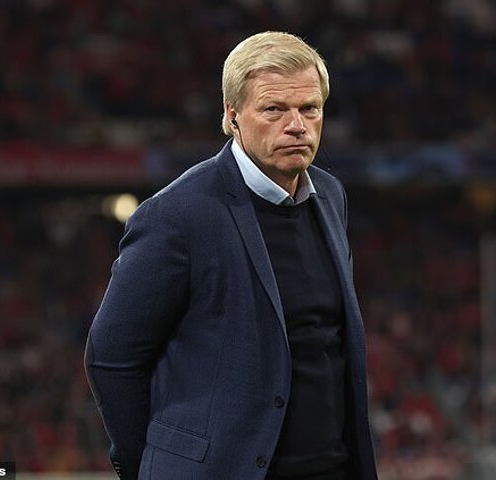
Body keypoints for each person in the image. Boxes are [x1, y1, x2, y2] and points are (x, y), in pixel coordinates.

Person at [85, 31, 378, 480]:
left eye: (310, 108)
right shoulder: (177, 214)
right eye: (274, 109)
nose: (297, 125)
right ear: (232, 115)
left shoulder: (330, 196)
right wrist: (149, 465)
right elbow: (111, 356)